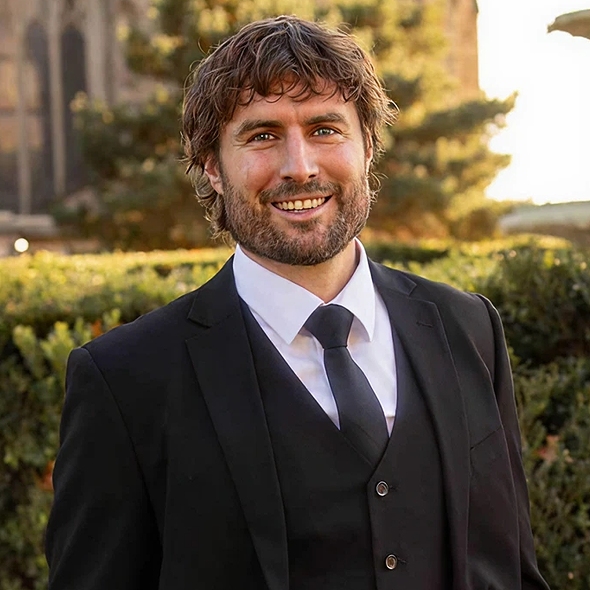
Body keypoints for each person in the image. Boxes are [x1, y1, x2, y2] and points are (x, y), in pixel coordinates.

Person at [46, 15, 549, 590]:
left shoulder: (469, 327)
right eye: (262, 136)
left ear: (368, 147)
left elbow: (511, 568)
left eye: (325, 129)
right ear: (212, 166)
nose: (300, 167)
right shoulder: (124, 380)